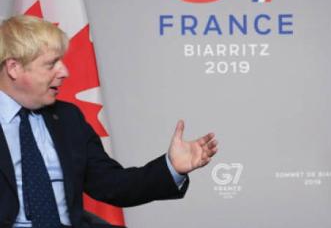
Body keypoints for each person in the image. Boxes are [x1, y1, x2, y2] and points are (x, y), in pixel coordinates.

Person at [0, 15, 218, 228]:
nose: (64, 72)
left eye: (61, 61)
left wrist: (172, 167)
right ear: (13, 68)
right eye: (51, 64)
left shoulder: (68, 118)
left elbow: (112, 184)